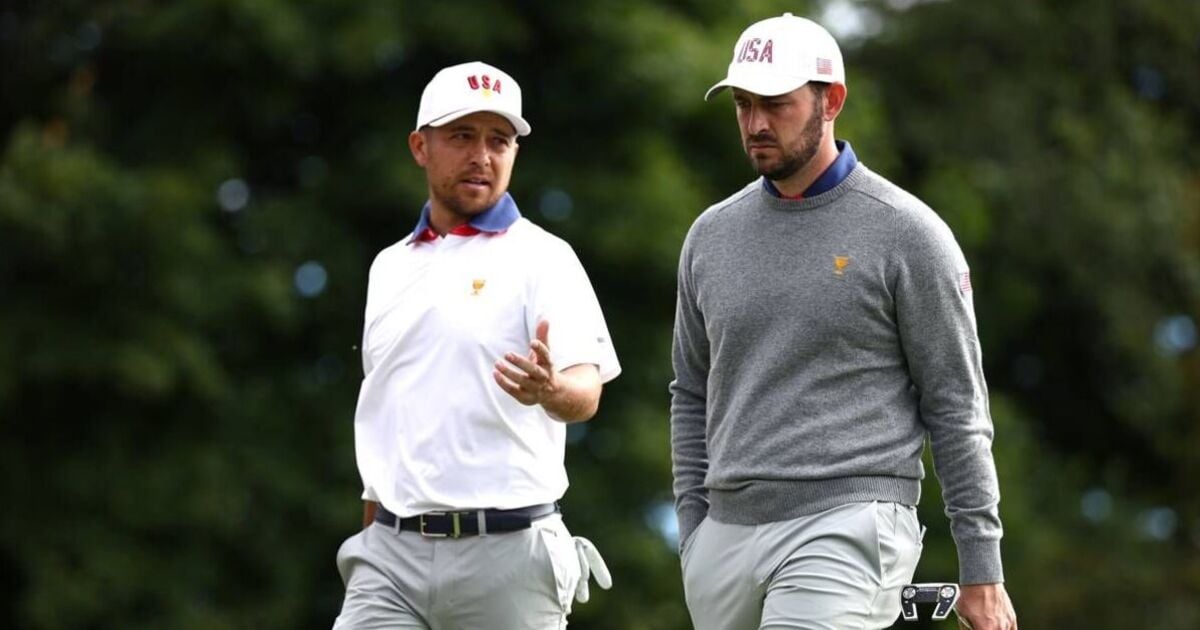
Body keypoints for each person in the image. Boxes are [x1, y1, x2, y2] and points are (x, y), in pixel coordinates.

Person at [670, 13, 1018, 630]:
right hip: (722, 541)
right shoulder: (709, 237)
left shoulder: (909, 234)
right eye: (744, 106)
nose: (755, 125)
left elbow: (956, 406)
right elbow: (691, 392)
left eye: (775, 104)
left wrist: (982, 571)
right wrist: (694, 531)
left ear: (831, 100)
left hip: (848, 523)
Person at [332, 61, 619, 630]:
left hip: (508, 555)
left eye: (499, 140)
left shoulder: (544, 257)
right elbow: (387, 411)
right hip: (389, 556)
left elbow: (586, 392)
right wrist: (370, 530)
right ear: (421, 147)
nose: (482, 156)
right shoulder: (388, 268)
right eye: (462, 136)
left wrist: (551, 388)